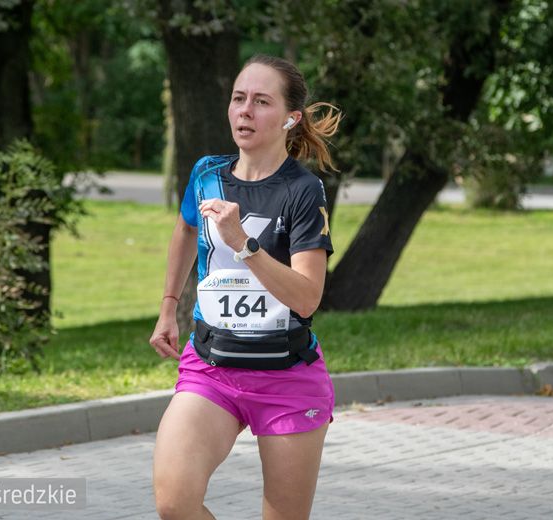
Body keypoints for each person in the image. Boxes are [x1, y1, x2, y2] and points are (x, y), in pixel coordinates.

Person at [149, 54, 342, 520]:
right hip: (211, 366)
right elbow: (184, 231)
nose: (244, 111)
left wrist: (246, 245)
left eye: (261, 101)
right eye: (239, 99)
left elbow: (307, 297)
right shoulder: (207, 175)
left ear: (290, 118)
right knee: (174, 504)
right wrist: (169, 305)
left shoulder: (303, 190)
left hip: (286, 375)